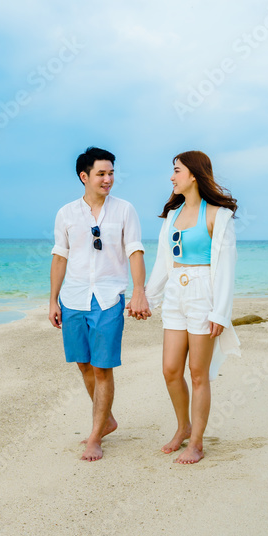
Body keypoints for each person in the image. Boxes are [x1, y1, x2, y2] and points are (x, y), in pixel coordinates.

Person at [49, 147, 150, 462]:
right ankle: (106, 419)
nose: (108, 179)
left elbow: (134, 250)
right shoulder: (66, 213)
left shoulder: (124, 210)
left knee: (102, 367)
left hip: (109, 297)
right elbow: (59, 256)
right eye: (101, 174)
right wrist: (52, 299)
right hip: (74, 297)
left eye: (111, 173)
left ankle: (95, 436)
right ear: (84, 176)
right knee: (83, 364)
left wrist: (139, 291)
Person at [143, 151, 240, 465]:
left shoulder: (217, 215)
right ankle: (183, 426)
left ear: (194, 174)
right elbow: (163, 261)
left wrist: (220, 312)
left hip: (203, 295)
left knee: (198, 375)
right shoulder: (173, 215)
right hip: (175, 294)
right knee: (171, 370)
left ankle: (196, 442)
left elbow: (226, 266)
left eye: (177, 171)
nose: (172, 177)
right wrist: (148, 296)